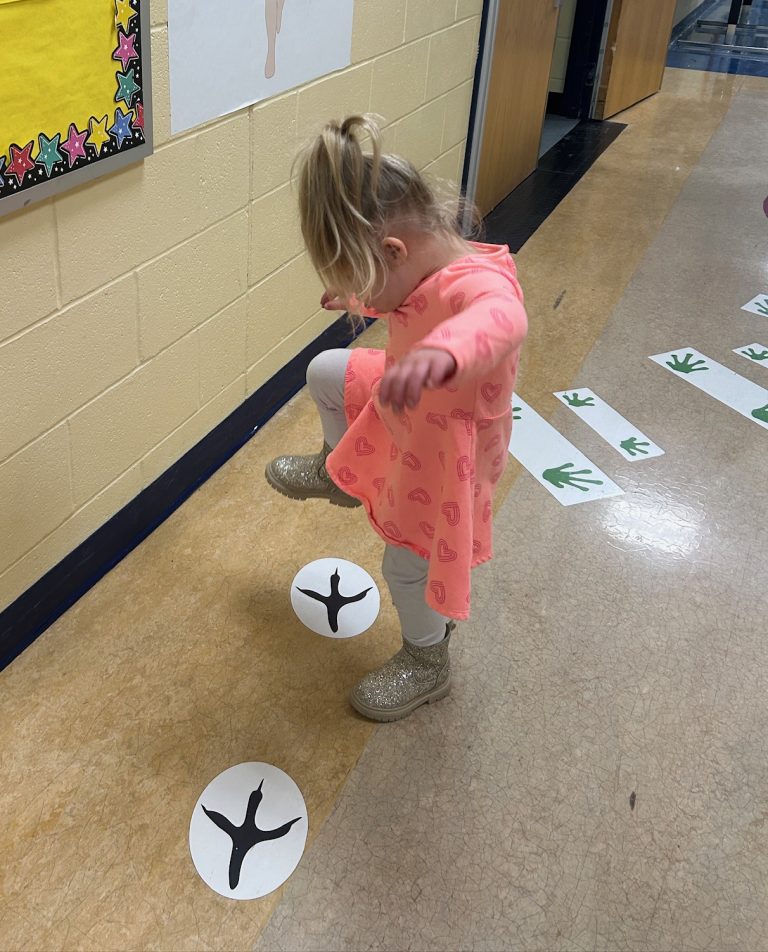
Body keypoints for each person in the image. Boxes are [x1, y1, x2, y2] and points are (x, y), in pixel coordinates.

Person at [266, 115, 528, 722]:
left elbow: (504, 319)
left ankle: (426, 659)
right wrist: (360, 298)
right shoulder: (421, 267)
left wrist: (446, 351)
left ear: (393, 252)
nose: (366, 299)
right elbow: (401, 296)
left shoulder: (479, 284)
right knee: (328, 370)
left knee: (406, 566)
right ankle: (341, 476)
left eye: (364, 281)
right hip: (407, 405)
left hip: (447, 456)